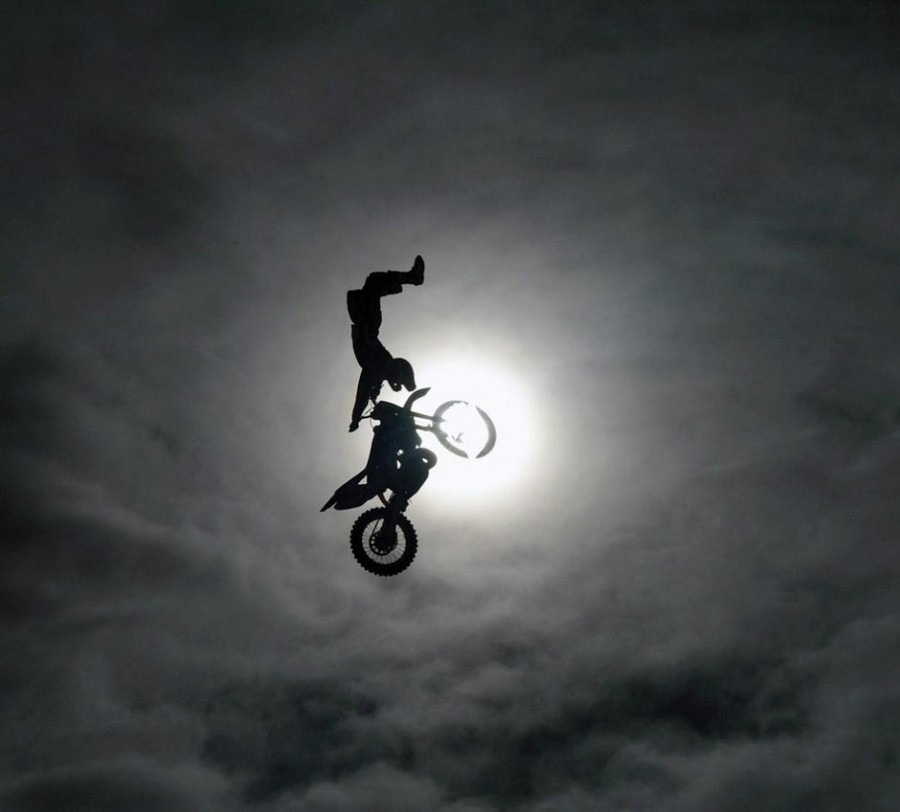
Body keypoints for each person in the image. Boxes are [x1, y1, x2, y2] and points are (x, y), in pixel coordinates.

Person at [346, 255, 424, 431]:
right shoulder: (380, 365)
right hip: (368, 322)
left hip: (366, 321)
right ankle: (413, 278)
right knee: (373, 283)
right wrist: (357, 415)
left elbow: (362, 396)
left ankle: (413, 278)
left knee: (373, 284)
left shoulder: (376, 367)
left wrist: (356, 418)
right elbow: (365, 393)